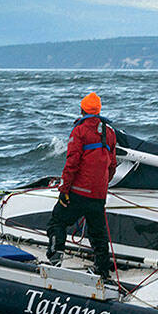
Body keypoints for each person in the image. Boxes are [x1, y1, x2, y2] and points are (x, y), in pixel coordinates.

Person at [46, 91, 118, 277]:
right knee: (99, 234)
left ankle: (55, 257)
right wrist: (102, 185)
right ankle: (103, 271)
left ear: (82, 110)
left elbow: (72, 163)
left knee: (58, 220)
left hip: (78, 192)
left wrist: (64, 189)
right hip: (98, 195)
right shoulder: (109, 132)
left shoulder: (79, 131)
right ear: (99, 110)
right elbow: (113, 165)